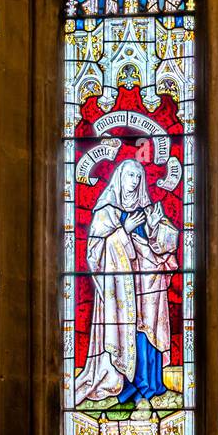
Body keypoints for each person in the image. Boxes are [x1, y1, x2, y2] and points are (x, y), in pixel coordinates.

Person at [75, 159, 179, 409]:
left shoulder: (149, 208)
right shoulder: (106, 211)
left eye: (138, 176)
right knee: (126, 329)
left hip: (148, 284)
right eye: (130, 175)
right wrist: (124, 230)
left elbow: (166, 246)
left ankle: (150, 384)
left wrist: (155, 227)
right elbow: (95, 252)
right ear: (119, 178)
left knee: (148, 330)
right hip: (120, 287)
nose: (134, 181)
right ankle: (125, 385)